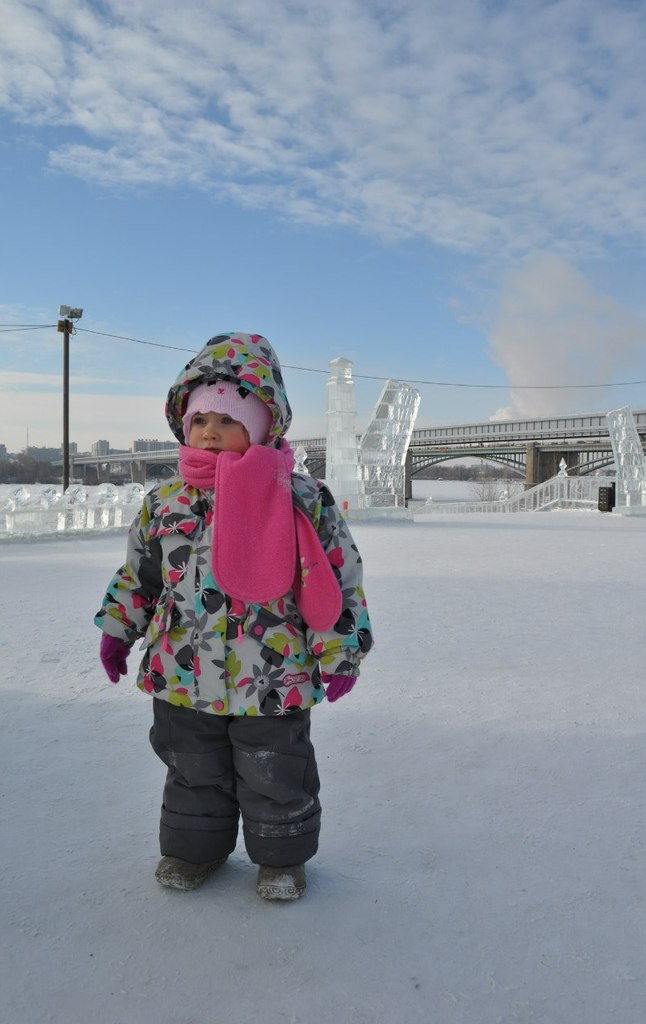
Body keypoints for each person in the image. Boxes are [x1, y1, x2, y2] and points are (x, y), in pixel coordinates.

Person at [95, 332, 372, 900]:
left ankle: (281, 859)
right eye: (200, 421)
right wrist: (119, 631)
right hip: (181, 670)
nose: (211, 432)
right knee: (192, 768)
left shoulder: (300, 497)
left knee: (276, 768)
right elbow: (141, 575)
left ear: (265, 425)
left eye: (228, 420)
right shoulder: (165, 502)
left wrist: (341, 650)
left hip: (272, 674)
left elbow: (335, 576)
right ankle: (193, 852)